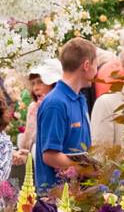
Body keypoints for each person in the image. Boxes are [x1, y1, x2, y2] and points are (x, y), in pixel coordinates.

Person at [33, 37, 98, 192]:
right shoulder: (56, 103)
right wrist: (87, 170)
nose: (97, 70)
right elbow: (50, 156)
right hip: (54, 200)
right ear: (87, 65)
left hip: (76, 195)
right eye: (96, 64)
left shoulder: (79, 99)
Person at [14, 58, 61, 167]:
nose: (36, 88)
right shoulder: (33, 107)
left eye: (40, 82)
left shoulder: (57, 107)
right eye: (33, 83)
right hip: (35, 163)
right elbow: (28, 140)